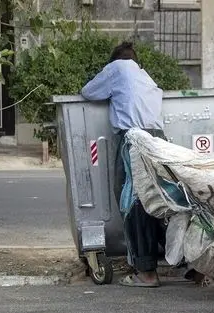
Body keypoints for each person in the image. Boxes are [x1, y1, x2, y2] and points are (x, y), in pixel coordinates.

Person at [81, 42, 166, 288]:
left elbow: (89, 91)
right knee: (160, 201)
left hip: (134, 140)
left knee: (133, 202)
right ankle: (190, 264)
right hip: (159, 141)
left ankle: (146, 272)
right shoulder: (144, 75)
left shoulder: (117, 68)